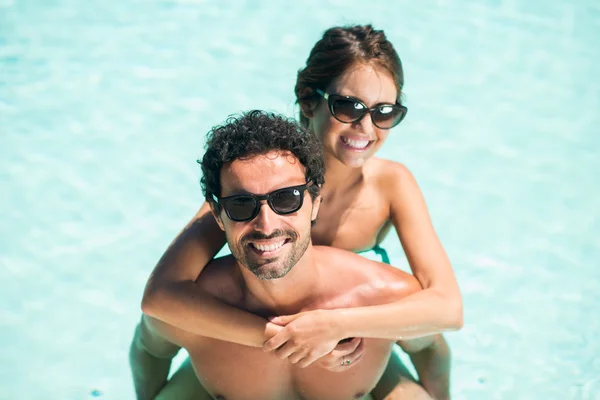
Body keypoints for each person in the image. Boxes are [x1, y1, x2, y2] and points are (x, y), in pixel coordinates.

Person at [138, 25, 462, 399]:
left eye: (384, 112)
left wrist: (332, 326)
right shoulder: (256, 181)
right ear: (309, 101)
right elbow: (161, 298)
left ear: (315, 203)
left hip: (356, 332)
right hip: (252, 325)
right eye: (349, 106)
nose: (366, 126)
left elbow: (446, 307)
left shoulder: (389, 184)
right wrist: (284, 337)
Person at [130, 110, 436, 399]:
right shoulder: (191, 312)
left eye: (286, 199)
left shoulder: (383, 297)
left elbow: (429, 347)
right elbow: (149, 350)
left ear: (315, 201)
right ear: (218, 214)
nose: (266, 225)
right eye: (241, 205)